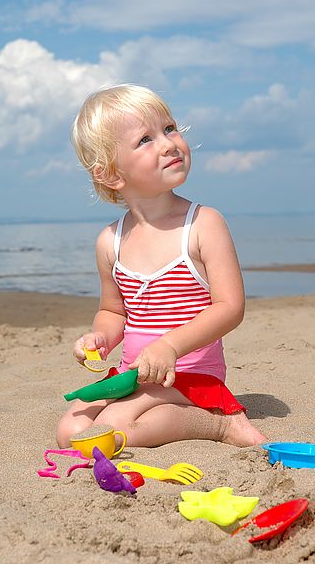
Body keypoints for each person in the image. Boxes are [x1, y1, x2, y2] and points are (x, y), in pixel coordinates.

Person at [56, 83, 267, 448]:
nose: (169, 143)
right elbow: (113, 310)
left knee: (113, 430)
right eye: (145, 139)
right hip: (134, 375)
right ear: (112, 174)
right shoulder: (111, 241)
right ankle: (177, 418)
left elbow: (230, 307)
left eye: (169, 129)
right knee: (70, 431)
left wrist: (169, 346)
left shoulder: (203, 224)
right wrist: (100, 339)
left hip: (190, 377)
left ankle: (219, 425)